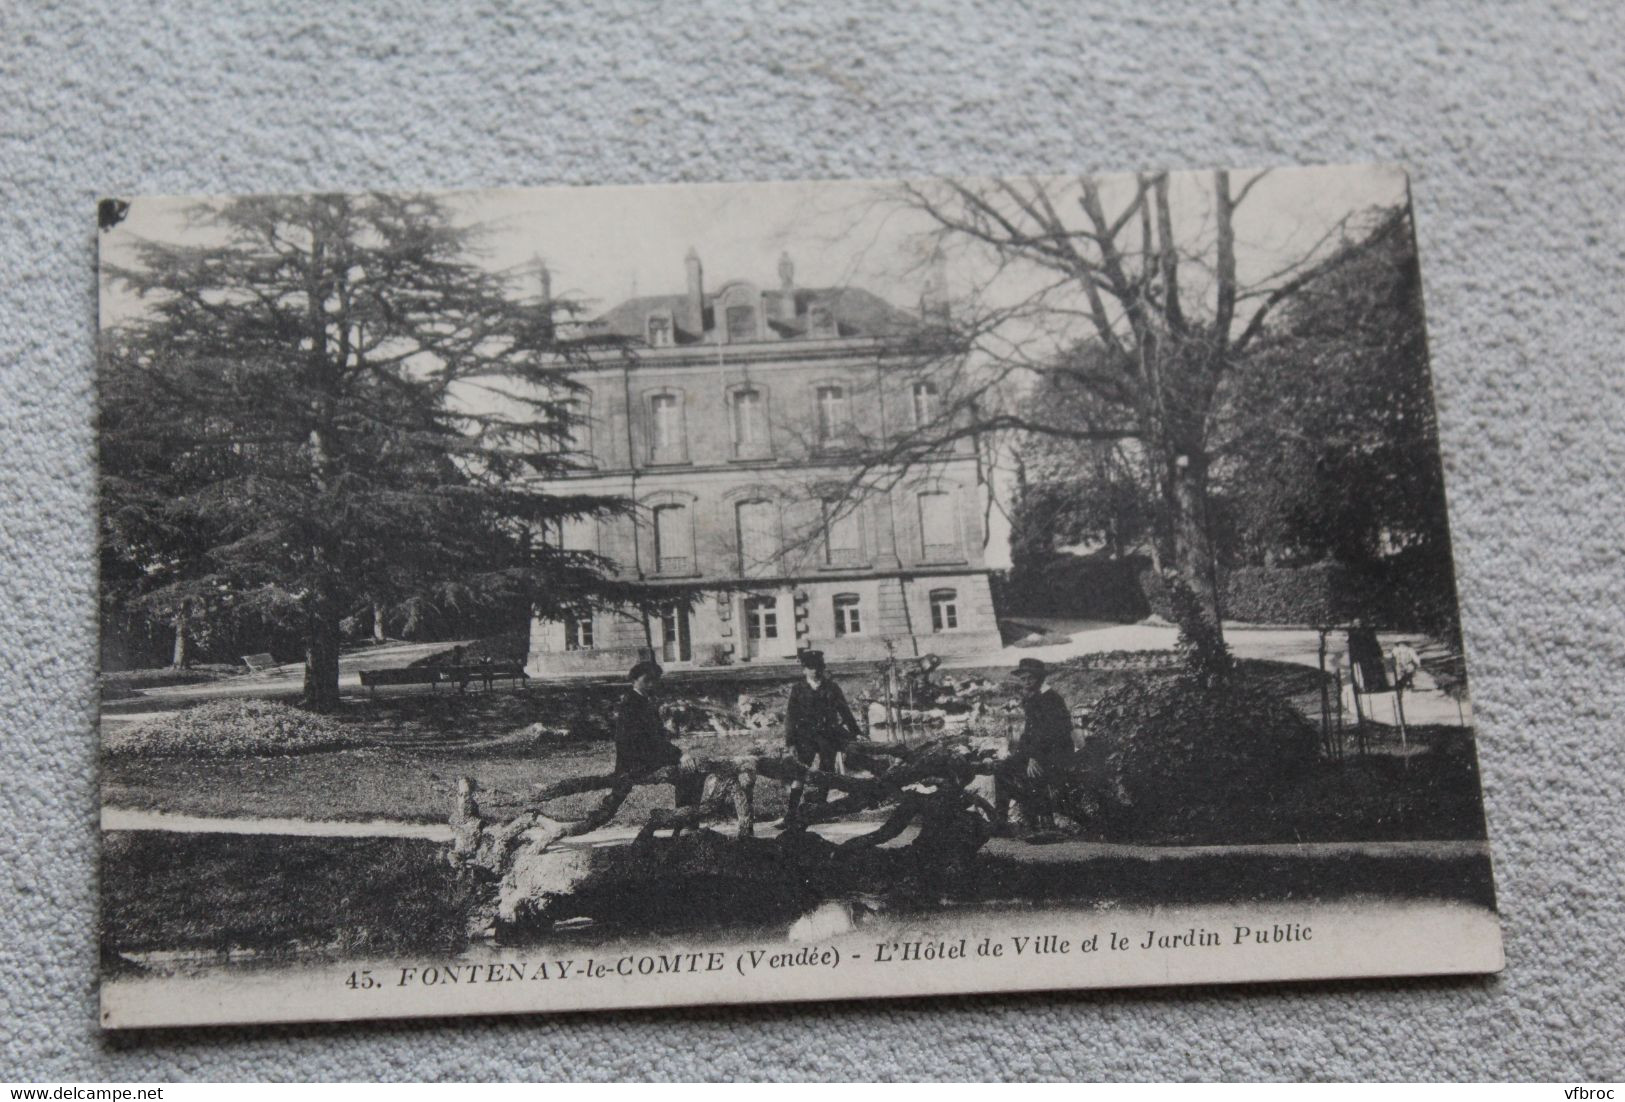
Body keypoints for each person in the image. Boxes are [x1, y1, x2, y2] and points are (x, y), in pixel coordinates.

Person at [780, 649, 863, 828]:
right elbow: (790, 717)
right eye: (810, 667)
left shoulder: (832, 688)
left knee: (826, 771)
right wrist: (790, 742)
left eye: (818, 667)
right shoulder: (798, 689)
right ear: (804, 670)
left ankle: (819, 810)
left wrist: (856, 732)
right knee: (800, 772)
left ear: (822, 668)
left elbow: (845, 711)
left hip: (827, 737)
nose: (815, 671)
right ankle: (791, 813)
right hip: (805, 738)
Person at [994, 657, 1075, 837]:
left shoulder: (1050, 699)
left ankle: (1043, 822)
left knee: (1031, 774)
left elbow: (1050, 733)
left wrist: (1034, 758)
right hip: (1038, 751)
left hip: (1055, 752)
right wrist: (1018, 753)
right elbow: (1030, 732)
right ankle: (1000, 821)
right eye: (1023, 678)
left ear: (1039, 678)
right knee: (1001, 769)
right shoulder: (1032, 698)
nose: (1026, 681)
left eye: (1030, 677)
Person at [613, 660, 702, 809]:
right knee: (690, 773)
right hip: (636, 764)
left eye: (654, 680)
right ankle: (685, 822)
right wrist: (679, 755)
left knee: (691, 773)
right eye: (647, 680)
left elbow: (653, 738)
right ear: (634, 680)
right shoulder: (632, 704)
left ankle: (685, 821)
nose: (651, 685)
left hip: (641, 759)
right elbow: (646, 742)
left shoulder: (643, 701)